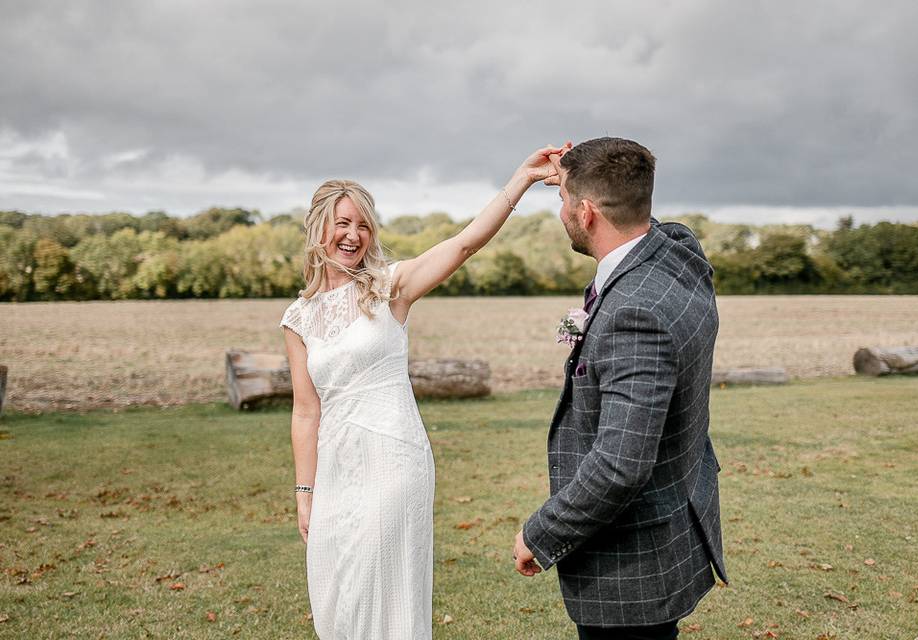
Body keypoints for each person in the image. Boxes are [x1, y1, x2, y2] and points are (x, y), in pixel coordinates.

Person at [279, 145, 564, 639]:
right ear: (318, 228)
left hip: (393, 460)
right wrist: (305, 493)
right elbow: (306, 412)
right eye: (342, 223)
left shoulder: (391, 285)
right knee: (335, 594)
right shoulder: (297, 318)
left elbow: (464, 244)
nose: (353, 235)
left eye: (363, 225)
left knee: (383, 593)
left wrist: (520, 179)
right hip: (336, 468)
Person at [513, 137, 727, 640]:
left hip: (630, 564)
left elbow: (620, 463)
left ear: (586, 212)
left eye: (564, 199)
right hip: (674, 522)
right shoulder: (678, 257)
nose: (561, 209)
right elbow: (669, 227)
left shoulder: (636, 312)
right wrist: (571, 172)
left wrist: (541, 534)